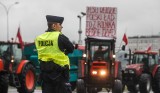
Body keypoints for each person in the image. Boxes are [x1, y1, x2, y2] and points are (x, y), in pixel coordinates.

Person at [35, 15, 74, 93]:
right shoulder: (60, 37)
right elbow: (71, 48)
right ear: (54, 25)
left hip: (45, 73)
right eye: (60, 25)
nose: (61, 27)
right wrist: (65, 52)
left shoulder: (39, 38)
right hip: (60, 73)